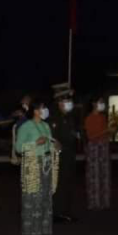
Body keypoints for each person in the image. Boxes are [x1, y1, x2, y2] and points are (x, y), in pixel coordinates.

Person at [15, 101, 56, 235]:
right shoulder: (26, 126)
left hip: (47, 162)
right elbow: (18, 148)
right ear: (35, 111)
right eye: (43, 108)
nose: (46, 111)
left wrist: (56, 147)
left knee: (45, 195)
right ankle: (31, 229)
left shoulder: (45, 125)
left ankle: (44, 228)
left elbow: (50, 143)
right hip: (32, 163)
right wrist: (35, 143)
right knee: (32, 195)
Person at [49, 85, 79, 223]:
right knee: (58, 184)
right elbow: (52, 137)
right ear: (59, 102)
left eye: (69, 100)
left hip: (69, 154)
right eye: (66, 100)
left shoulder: (70, 116)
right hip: (58, 155)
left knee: (67, 183)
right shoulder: (55, 117)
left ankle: (65, 211)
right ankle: (56, 212)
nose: (69, 103)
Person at [83, 98, 111, 211]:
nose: (102, 104)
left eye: (102, 102)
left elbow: (105, 132)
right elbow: (90, 137)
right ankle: (94, 202)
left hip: (103, 146)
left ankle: (104, 201)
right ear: (94, 103)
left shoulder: (103, 117)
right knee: (94, 175)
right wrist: (104, 132)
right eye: (100, 102)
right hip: (94, 147)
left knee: (104, 174)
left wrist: (109, 132)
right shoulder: (89, 118)